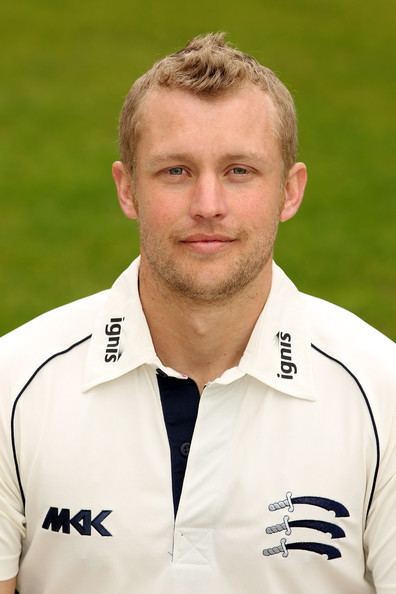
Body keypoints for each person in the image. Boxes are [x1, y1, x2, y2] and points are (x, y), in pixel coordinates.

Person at [0, 32, 395, 594]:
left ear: (290, 190)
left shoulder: (384, 394)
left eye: (239, 170)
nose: (208, 204)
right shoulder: (12, 384)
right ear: (127, 189)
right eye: (176, 171)